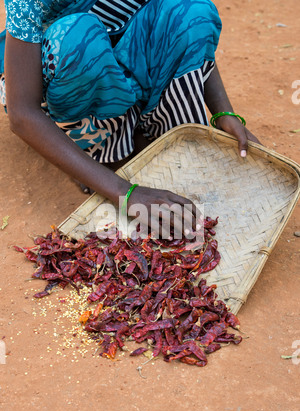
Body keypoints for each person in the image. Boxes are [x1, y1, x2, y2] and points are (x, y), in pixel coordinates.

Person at [0, 0, 260, 235]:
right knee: (79, 37)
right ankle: (91, 147)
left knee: (193, 10)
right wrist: (126, 193)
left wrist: (223, 111)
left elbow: (186, 23)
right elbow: (23, 114)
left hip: (122, 62)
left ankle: (140, 125)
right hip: (61, 81)